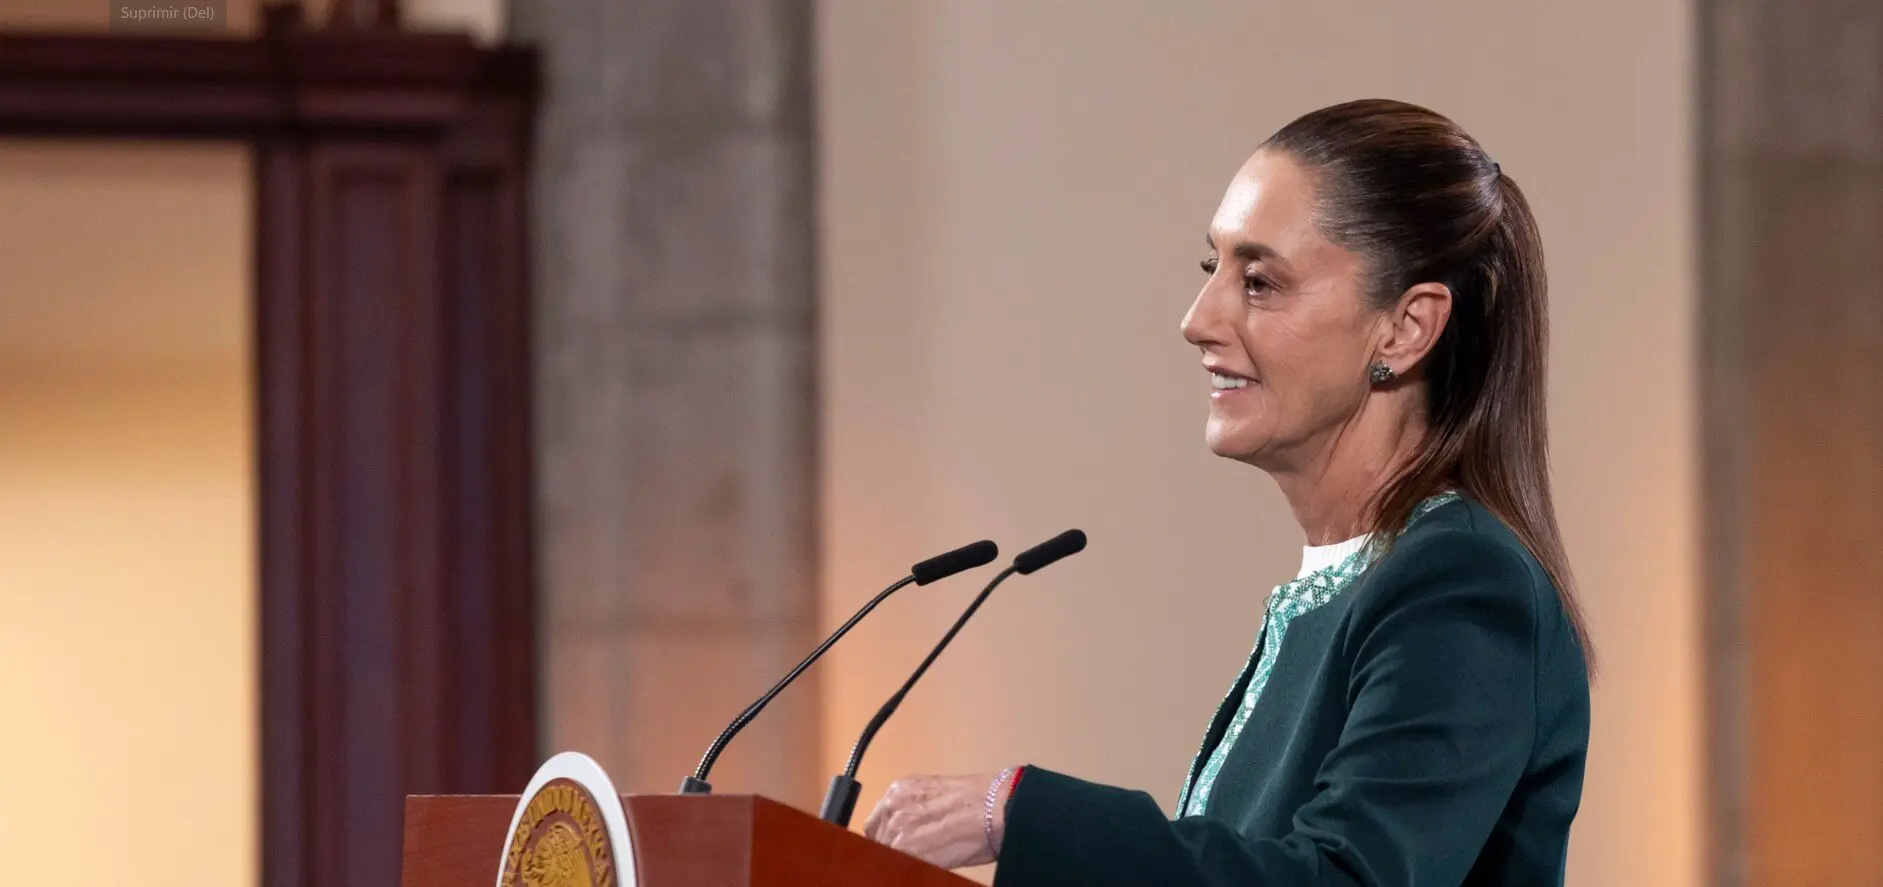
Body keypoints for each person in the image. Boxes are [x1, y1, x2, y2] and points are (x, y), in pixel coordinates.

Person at [859, 98, 1595, 886]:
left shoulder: (1457, 579)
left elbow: (1347, 878)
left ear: (1405, 328)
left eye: (1260, 280)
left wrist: (1021, 809)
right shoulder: (1349, 586)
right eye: (1211, 268)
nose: (1197, 319)